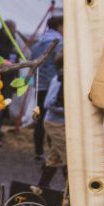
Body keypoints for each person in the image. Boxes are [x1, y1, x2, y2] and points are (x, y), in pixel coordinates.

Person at [31, 13, 64, 161]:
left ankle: (38, 151)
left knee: (40, 118)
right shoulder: (59, 43)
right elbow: (61, 64)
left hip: (40, 85)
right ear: (59, 27)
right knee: (55, 119)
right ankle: (55, 150)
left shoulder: (37, 44)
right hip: (55, 86)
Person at [39, 51, 66, 188]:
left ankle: (42, 186)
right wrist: (68, 111)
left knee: (54, 157)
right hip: (55, 123)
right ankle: (72, 191)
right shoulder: (58, 80)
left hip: (64, 124)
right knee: (69, 157)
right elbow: (48, 103)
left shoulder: (71, 81)